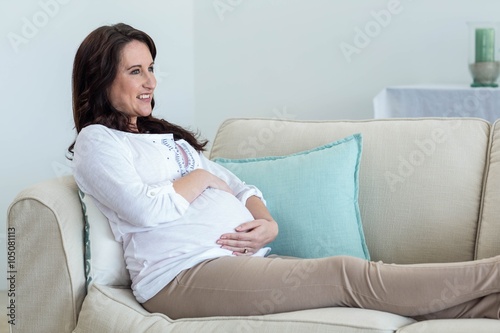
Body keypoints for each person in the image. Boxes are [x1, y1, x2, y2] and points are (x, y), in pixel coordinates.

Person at [70, 23, 500, 320]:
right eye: (135, 71)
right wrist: (202, 179)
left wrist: (267, 222)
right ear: (101, 78)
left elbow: (240, 185)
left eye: (151, 68)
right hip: (182, 276)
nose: (151, 82)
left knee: (369, 300)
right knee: (346, 275)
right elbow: (146, 211)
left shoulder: (166, 139)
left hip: (236, 261)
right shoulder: (98, 142)